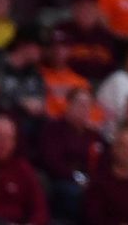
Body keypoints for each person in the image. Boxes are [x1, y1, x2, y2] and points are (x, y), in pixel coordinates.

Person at [39, 89, 103, 222]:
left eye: (87, 106)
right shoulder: (54, 128)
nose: (84, 109)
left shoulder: (94, 135)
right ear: (69, 105)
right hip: (62, 180)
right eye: (80, 104)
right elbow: (52, 162)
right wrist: (78, 178)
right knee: (76, 195)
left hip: (90, 182)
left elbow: (102, 161)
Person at [54, 0, 116, 81]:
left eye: (90, 8)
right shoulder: (63, 30)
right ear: (74, 10)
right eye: (82, 7)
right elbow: (56, 60)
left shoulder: (105, 35)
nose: (86, 12)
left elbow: (112, 66)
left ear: (97, 11)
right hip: (69, 81)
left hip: (101, 83)